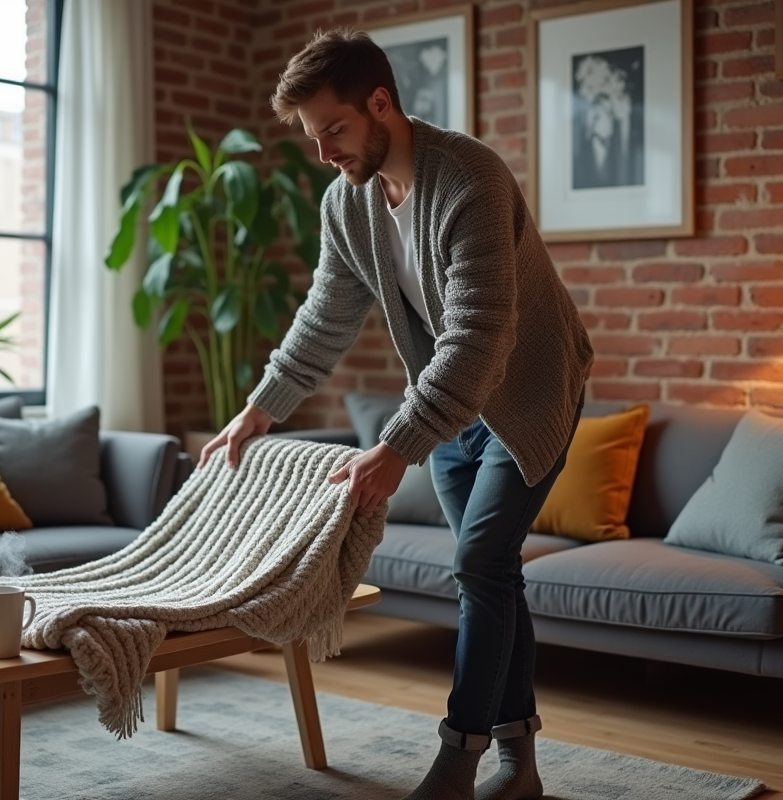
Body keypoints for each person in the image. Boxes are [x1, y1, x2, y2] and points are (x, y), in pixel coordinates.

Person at [199, 28, 593, 800]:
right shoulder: (347, 202)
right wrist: (257, 413)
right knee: (495, 575)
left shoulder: (471, 177)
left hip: (530, 390)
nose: (324, 153)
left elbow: (480, 336)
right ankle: (522, 769)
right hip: (449, 407)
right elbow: (325, 317)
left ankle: (459, 756)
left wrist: (397, 446)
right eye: (313, 138)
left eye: (335, 130)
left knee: (479, 563)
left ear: (382, 103)